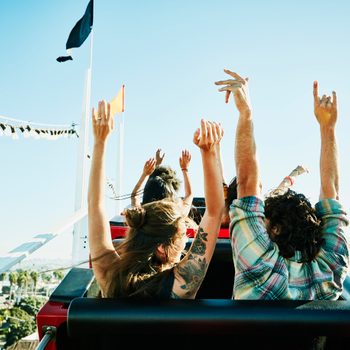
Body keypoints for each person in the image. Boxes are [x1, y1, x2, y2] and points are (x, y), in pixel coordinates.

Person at [215, 70, 349, 300]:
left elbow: (247, 183)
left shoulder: (259, 266)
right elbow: (333, 194)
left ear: (276, 228)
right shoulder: (331, 269)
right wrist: (328, 128)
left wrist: (246, 112)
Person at [88, 99, 224, 299]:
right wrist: (209, 152)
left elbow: (95, 206)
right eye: (182, 236)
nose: (186, 240)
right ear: (162, 248)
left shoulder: (108, 274)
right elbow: (214, 212)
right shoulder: (180, 284)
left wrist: (100, 142)